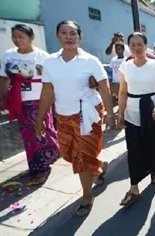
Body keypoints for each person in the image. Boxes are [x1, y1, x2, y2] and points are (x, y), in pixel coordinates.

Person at [36, 20, 115, 217]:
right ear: (57, 36)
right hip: (62, 115)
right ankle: (99, 166)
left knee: (82, 157)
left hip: (88, 113)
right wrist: (40, 119)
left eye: (73, 33)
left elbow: (104, 87)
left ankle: (87, 196)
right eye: (64, 33)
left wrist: (112, 114)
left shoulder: (90, 61)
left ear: (80, 37)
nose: (69, 37)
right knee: (69, 155)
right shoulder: (50, 62)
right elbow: (47, 92)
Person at [0, 24, 60, 185]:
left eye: (21, 36)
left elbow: (53, 82)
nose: (17, 40)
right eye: (14, 36)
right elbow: (4, 79)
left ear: (31, 38)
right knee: (28, 135)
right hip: (19, 101)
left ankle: (44, 163)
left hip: (40, 99)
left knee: (43, 131)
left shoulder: (43, 57)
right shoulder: (8, 55)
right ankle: (38, 165)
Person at [117, 32, 155, 207]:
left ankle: (154, 169)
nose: (136, 48)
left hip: (152, 109)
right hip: (132, 112)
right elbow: (122, 92)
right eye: (133, 45)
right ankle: (134, 187)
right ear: (129, 47)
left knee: (153, 143)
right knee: (134, 149)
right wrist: (120, 113)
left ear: (146, 46)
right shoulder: (125, 66)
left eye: (140, 44)